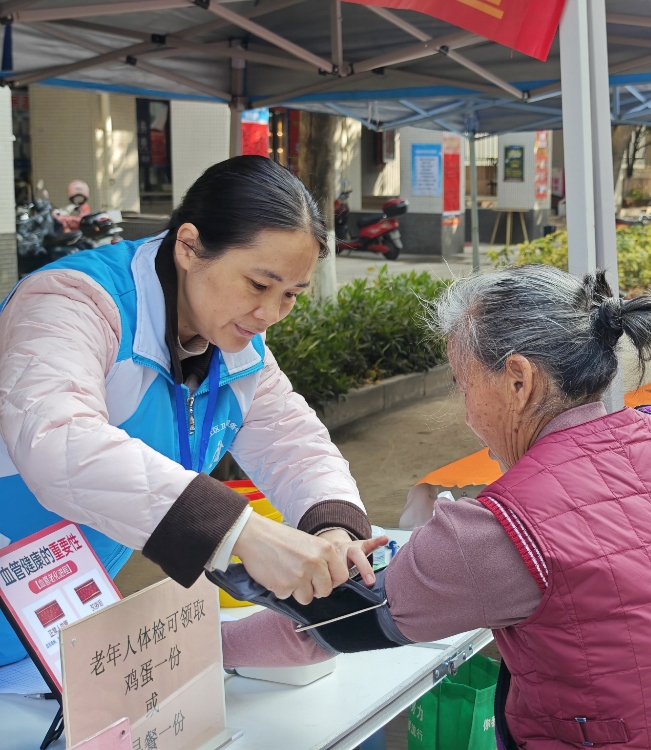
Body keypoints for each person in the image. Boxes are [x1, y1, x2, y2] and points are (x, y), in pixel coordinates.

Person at [224, 265, 651, 749]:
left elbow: (333, 623)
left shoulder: (500, 531)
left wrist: (204, 626)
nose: (466, 414)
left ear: (518, 380)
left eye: (464, 386)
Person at [0, 155, 384, 666]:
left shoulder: (237, 342)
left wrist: (333, 531)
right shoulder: (71, 302)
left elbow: (295, 444)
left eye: (291, 295)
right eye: (257, 285)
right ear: (188, 246)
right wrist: (241, 531)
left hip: (52, 612)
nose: (270, 314)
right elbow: (58, 444)